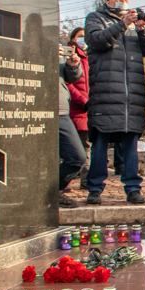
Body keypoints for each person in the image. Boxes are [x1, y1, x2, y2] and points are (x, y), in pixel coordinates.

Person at [83, 0, 145, 205]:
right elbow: (96, 40)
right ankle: (94, 188)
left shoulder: (134, 25)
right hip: (106, 93)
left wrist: (142, 27)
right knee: (100, 144)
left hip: (131, 96)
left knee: (130, 145)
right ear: (108, 0)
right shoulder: (96, 18)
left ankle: (133, 188)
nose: (123, 1)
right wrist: (121, 24)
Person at [58, 46, 85, 208]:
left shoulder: (58, 47)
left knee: (77, 157)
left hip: (60, 109)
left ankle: (53, 190)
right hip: (35, 107)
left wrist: (73, 65)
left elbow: (71, 77)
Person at [66, 27, 90, 146]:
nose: (83, 40)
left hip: (90, 114)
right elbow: (67, 84)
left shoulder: (90, 57)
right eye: (80, 36)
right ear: (73, 39)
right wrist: (83, 100)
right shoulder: (69, 57)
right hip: (76, 111)